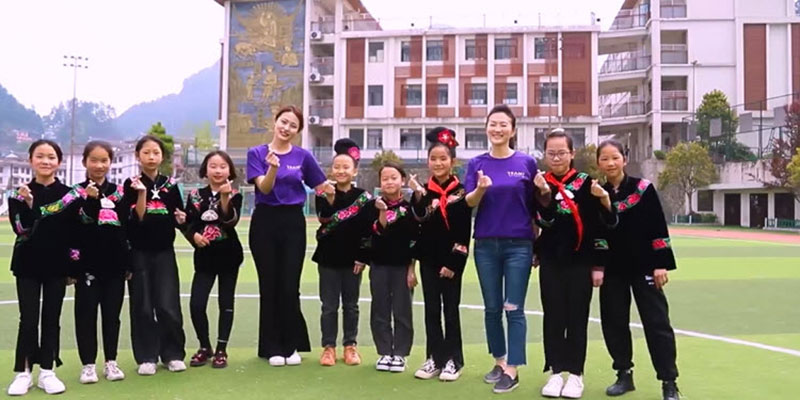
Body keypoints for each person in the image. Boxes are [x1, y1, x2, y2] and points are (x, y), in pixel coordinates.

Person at [246, 105, 333, 366]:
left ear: (298, 131)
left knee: (289, 284)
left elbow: (322, 186)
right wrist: (272, 167)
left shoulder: (303, 156)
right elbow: (264, 187)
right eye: (284, 122)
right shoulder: (257, 153)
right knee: (269, 284)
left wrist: (335, 187)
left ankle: (290, 345)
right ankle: (272, 347)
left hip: (293, 223)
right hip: (265, 222)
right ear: (275, 122)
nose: (286, 128)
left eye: (293, 125)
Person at [533, 129, 616, 399]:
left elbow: (599, 227)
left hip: (581, 261)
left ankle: (576, 375)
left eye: (562, 152)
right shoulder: (537, 182)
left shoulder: (586, 183)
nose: (556, 158)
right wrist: (544, 195)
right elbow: (543, 223)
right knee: (553, 316)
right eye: (551, 153)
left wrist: (599, 265)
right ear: (544, 155)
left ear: (572, 154)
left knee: (577, 318)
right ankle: (555, 372)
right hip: (551, 260)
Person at [464, 105, 540, 394]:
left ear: (513, 129)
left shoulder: (526, 163)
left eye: (503, 124)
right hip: (485, 245)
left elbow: (535, 206)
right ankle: (499, 361)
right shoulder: (476, 164)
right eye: (493, 124)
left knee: (514, 308)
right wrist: (481, 188)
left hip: (519, 245)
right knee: (492, 308)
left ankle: (514, 368)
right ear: (486, 127)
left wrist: (537, 244)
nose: (497, 129)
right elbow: (469, 202)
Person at [596, 139, 680, 400]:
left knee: (657, 324)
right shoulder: (596, 193)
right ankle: (624, 374)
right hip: (613, 269)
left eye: (615, 157)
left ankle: (669, 381)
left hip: (644, 266)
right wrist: (597, 266)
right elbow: (598, 232)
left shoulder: (643, 189)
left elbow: (658, 227)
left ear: (624, 158)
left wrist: (660, 264)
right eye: (604, 159)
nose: (610, 163)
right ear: (598, 163)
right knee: (614, 322)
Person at [6, 140, 79, 395]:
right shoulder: (18, 194)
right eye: (40, 156)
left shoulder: (70, 195)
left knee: (51, 319)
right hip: (27, 264)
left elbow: (75, 233)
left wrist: (74, 267)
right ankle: (22, 372)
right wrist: (27, 203)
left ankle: (48, 371)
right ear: (31, 160)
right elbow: (21, 229)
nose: (45, 161)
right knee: (28, 319)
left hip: (57, 265)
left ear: (59, 162)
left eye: (51, 157)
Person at [410, 127, 471, 382]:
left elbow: (463, 232)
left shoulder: (461, 192)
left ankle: (453, 360)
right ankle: (435, 357)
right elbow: (419, 221)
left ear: (452, 162)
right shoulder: (424, 190)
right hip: (428, 260)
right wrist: (417, 196)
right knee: (431, 310)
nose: (438, 163)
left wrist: (453, 263)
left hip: (451, 262)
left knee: (451, 310)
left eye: (443, 159)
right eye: (433, 159)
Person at [124, 135, 187, 376]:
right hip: (138, 252)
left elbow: (178, 217)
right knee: (142, 305)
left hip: (164, 253)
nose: (151, 157)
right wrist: (141, 194)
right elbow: (136, 219)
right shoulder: (130, 185)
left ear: (162, 156)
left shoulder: (170, 186)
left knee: (168, 304)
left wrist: (181, 220)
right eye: (146, 152)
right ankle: (147, 356)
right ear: (137, 156)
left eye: (156, 153)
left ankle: (172, 354)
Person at [72, 141, 129, 384]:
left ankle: (111, 362)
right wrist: (91, 200)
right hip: (86, 266)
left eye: (104, 160)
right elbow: (76, 229)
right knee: (85, 315)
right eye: (94, 160)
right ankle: (88, 366)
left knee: (111, 315)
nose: (99, 165)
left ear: (110, 163)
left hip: (115, 266)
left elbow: (126, 231)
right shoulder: (75, 192)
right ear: (85, 162)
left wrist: (128, 265)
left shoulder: (119, 193)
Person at [313, 138, 371, 367]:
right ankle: (328, 347)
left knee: (351, 305)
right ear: (331, 170)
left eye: (346, 167)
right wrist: (329, 196)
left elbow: (368, 230)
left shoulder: (363, 197)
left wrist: (362, 257)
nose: (341, 170)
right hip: (327, 258)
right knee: (328, 306)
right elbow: (324, 219)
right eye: (337, 166)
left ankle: (350, 345)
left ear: (354, 171)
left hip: (353, 261)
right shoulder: (322, 194)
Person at [357, 162, 418, 374]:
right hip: (379, 266)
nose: (389, 182)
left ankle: (400, 354)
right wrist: (382, 212)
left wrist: (412, 269)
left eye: (394, 178)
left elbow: (414, 241)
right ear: (379, 182)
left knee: (402, 310)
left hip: (402, 267)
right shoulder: (372, 206)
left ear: (402, 180)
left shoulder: (410, 209)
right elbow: (373, 233)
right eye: (385, 178)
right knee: (380, 310)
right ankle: (384, 351)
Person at [185, 151, 244, 369]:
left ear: (229, 170)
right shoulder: (194, 195)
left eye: (222, 166)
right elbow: (189, 222)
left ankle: (221, 349)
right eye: (213, 166)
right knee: (196, 304)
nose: (218, 170)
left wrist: (225, 197)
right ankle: (204, 347)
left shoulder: (235, 194)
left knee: (226, 304)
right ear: (205, 170)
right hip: (204, 258)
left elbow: (230, 221)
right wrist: (194, 236)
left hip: (229, 256)